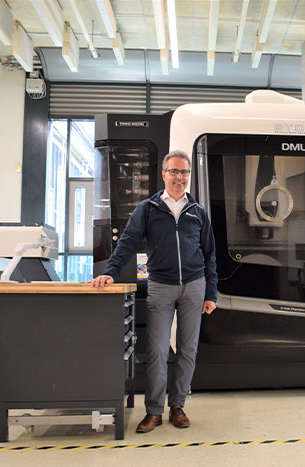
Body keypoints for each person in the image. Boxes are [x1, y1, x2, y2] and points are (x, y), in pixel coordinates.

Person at [89, 150, 217, 433]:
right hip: (160, 285)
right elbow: (127, 242)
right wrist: (110, 272)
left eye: (184, 172)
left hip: (194, 287)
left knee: (188, 350)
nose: (179, 177)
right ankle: (155, 410)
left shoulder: (197, 212)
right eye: (174, 171)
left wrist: (211, 294)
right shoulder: (147, 208)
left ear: (188, 177)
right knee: (157, 350)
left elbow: (210, 255)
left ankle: (178, 406)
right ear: (164, 174)